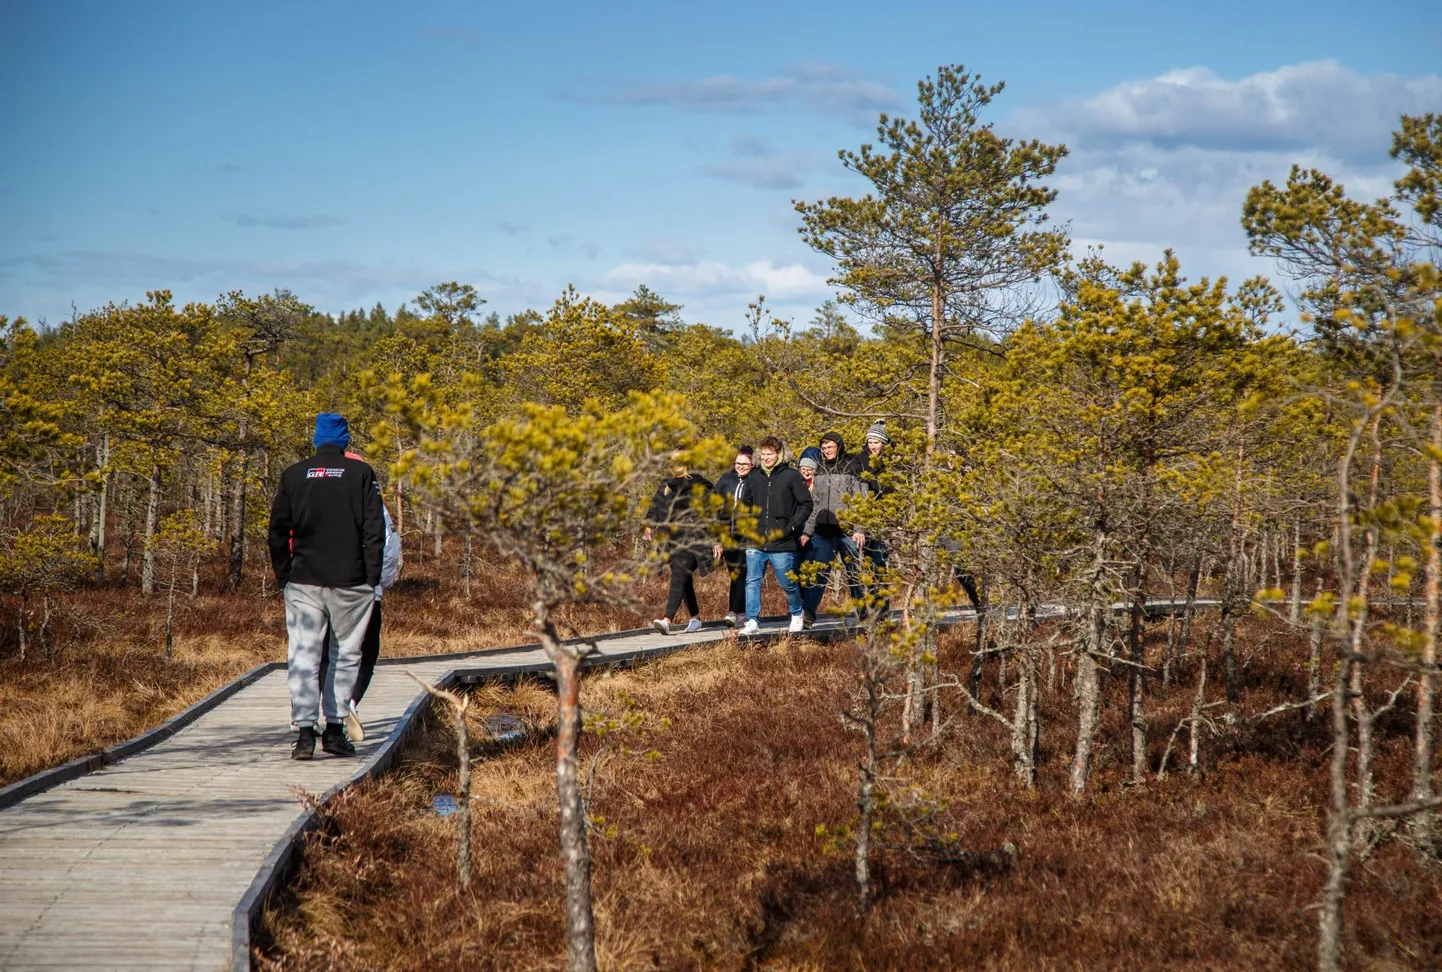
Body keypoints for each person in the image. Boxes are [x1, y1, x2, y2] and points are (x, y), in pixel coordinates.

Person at [267, 412, 385, 760]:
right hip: (351, 581)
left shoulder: (293, 475)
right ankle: (334, 731)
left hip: (304, 580)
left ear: (317, 439)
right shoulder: (362, 473)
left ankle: (305, 734)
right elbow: (374, 530)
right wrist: (371, 578)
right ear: (346, 439)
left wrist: (284, 576)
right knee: (345, 655)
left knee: (303, 655)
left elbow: (277, 531)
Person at [317, 454, 401, 743]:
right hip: (364, 592)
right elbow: (389, 546)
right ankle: (349, 703)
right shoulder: (372, 503)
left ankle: (325, 712)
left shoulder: (314, 500)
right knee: (365, 653)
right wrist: (381, 583)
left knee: (327, 651)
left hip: (322, 590)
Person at [738, 436, 812, 636]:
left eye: (769, 454)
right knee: (752, 581)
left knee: (787, 582)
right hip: (755, 541)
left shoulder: (791, 476)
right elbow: (745, 504)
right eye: (762, 454)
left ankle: (797, 613)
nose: (765, 458)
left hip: (782, 541)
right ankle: (752, 620)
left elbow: (806, 504)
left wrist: (792, 526)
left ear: (779, 454)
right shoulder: (753, 477)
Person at [799, 431, 868, 626]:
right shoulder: (819, 469)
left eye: (830, 446)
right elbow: (815, 504)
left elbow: (860, 501)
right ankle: (808, 615)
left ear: (839, 446)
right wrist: (807, 532)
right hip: (822, 532)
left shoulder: (852, 465)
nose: (826, 450)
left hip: (847, 532)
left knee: (854, 572)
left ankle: (863, 612)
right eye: (824, 447)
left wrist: (859, 528)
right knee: (819, 574)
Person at [646, 454, 714, 635]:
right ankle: (695, 618)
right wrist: (648, 524)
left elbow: (713, 514)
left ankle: (667, 620)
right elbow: (655, 507)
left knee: (678, 575)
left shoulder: (701, 485)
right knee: (683, 579)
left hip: (694, 539)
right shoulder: (666, 485)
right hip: (672, 540)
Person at [711, 446, 754, 627]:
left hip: (749, 535)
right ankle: (742, 612)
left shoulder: (756, 480)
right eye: (738, 463)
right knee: (735, 574)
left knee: (741, 572)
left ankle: (733, 612)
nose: (741, 467)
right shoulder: (725, 480)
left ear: (752, 464)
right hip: (727, 534)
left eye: (745, 464)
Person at [856, 419, 892, 617]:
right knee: (862, 566)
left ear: (884, 443)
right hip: (861, 521)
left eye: (877, 442)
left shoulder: (888, 464)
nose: (873, 445)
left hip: (882, 522)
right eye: (870, 441)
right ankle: (865, 608)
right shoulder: (859, 461)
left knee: (879, 565)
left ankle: (881, 610)